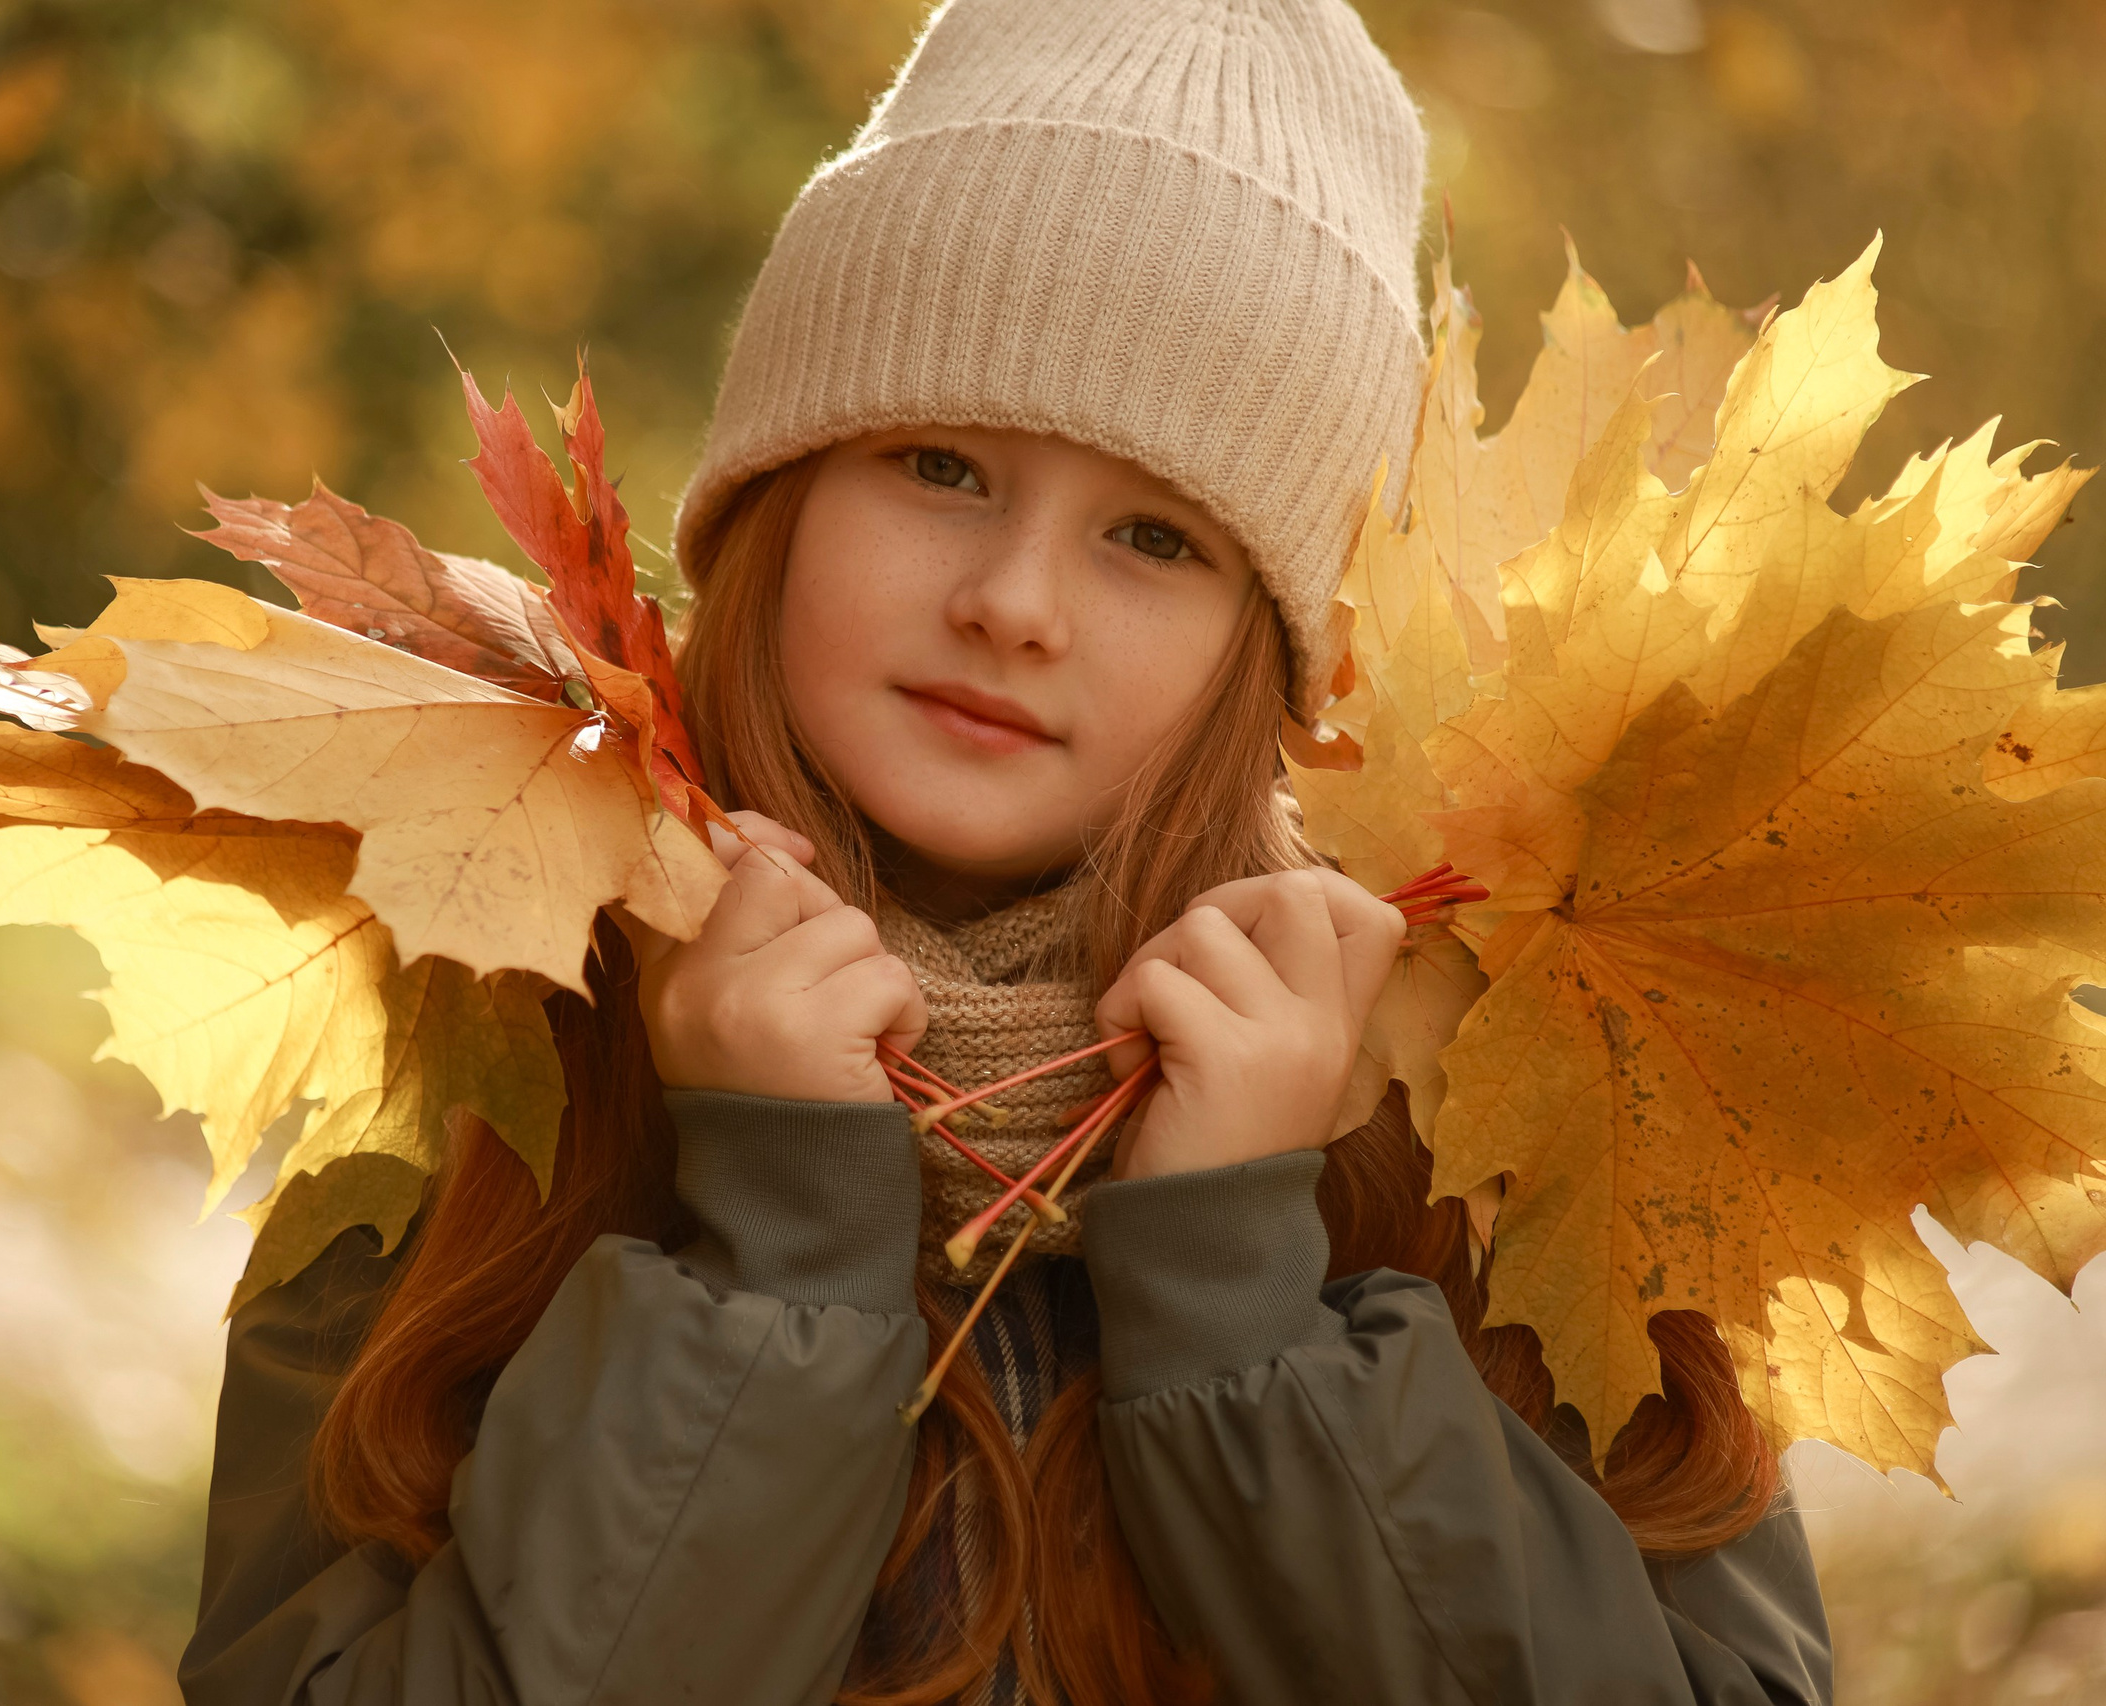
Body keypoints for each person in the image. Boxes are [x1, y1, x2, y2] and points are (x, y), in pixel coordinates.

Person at [178, 1, 1835, 1701]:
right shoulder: (489, 1023)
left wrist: (1241, 1304)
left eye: (1152, 536)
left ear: (1282, 650)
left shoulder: (1501, 1111)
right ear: (781, 494)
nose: (1014, 603)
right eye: (940, 463)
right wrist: (779, 1272)